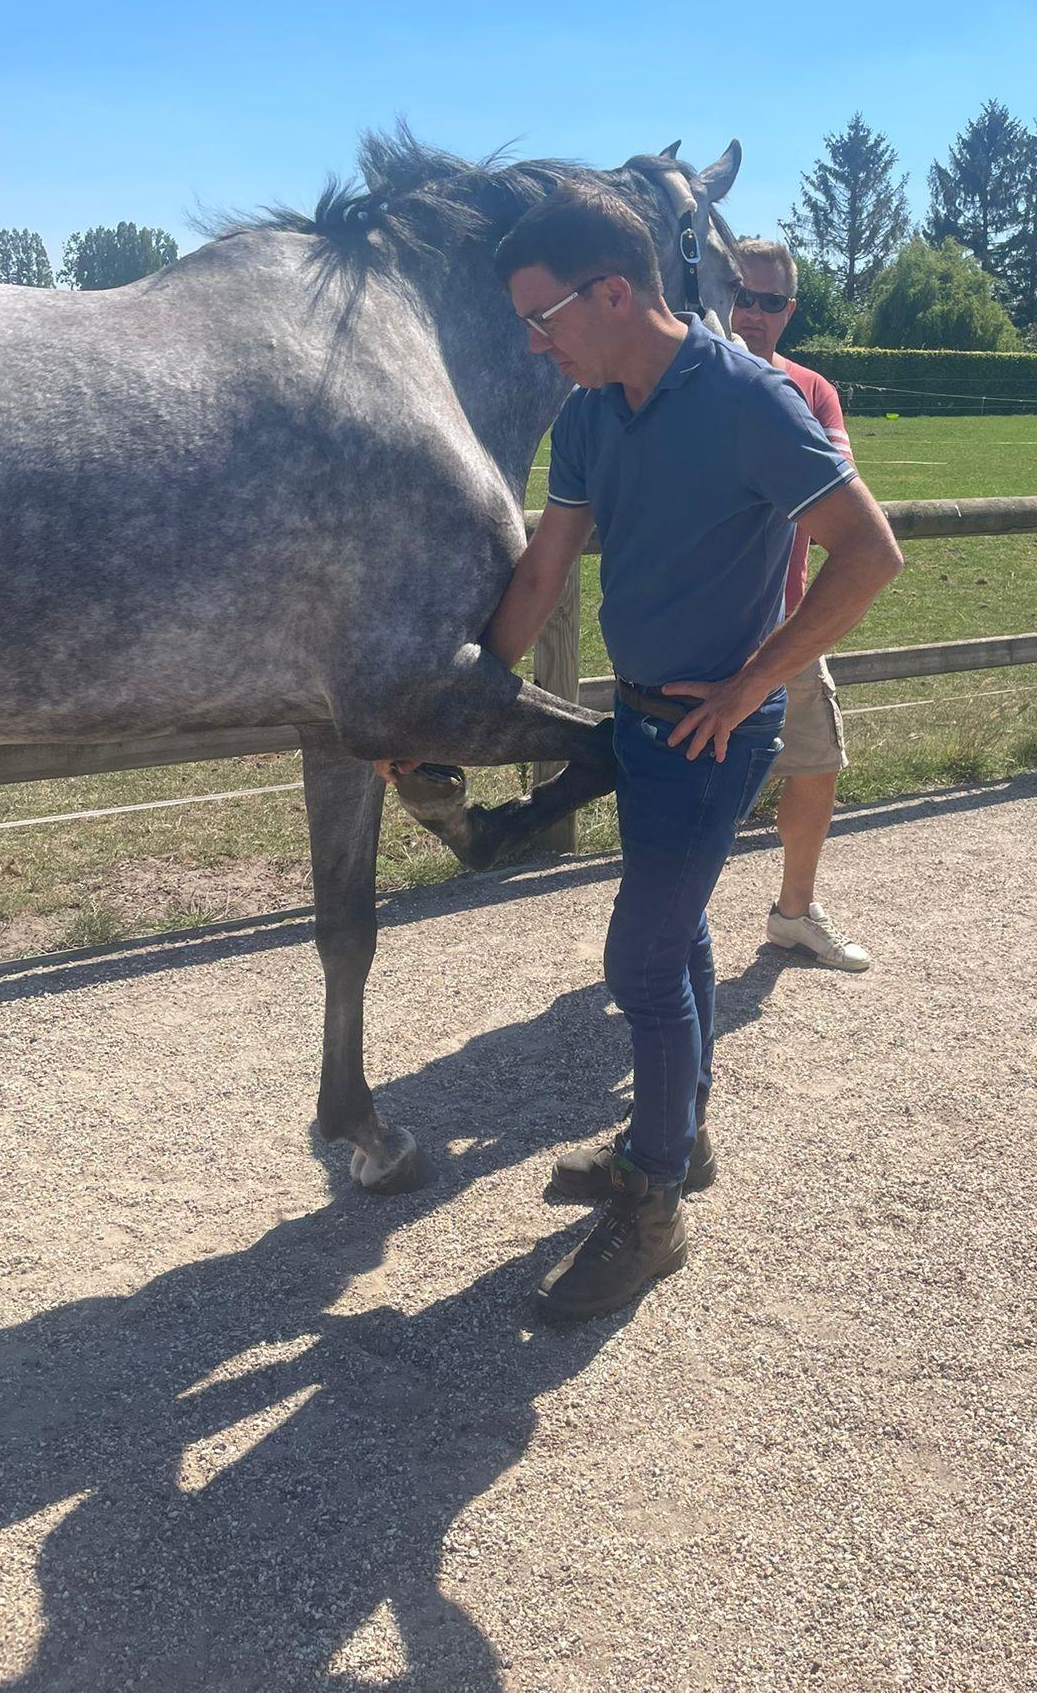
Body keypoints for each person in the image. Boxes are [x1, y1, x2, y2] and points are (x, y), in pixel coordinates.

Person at [378, 185, 902, 1322]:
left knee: (643, 959)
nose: (534, 342)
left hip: (718, 731)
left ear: (613, 292)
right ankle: (682, 1135)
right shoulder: (589, 416)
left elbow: (870, 552)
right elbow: (541, 573)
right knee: (679, 932)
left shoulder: (750, 398)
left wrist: (756, 680)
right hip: (643, 721)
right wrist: (451, 709)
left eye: (543, 316)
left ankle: (653, 1209)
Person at [730, 242, 870, 971]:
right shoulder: (680, 380)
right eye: (740, 295)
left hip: (784, 625)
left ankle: (795, 911)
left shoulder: (812, 389)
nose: (751, 313)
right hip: (698, 626)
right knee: (691, 780)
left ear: (790, 311)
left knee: (816, 765)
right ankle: (667, 930)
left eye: (770, 301)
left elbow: (837, 498)